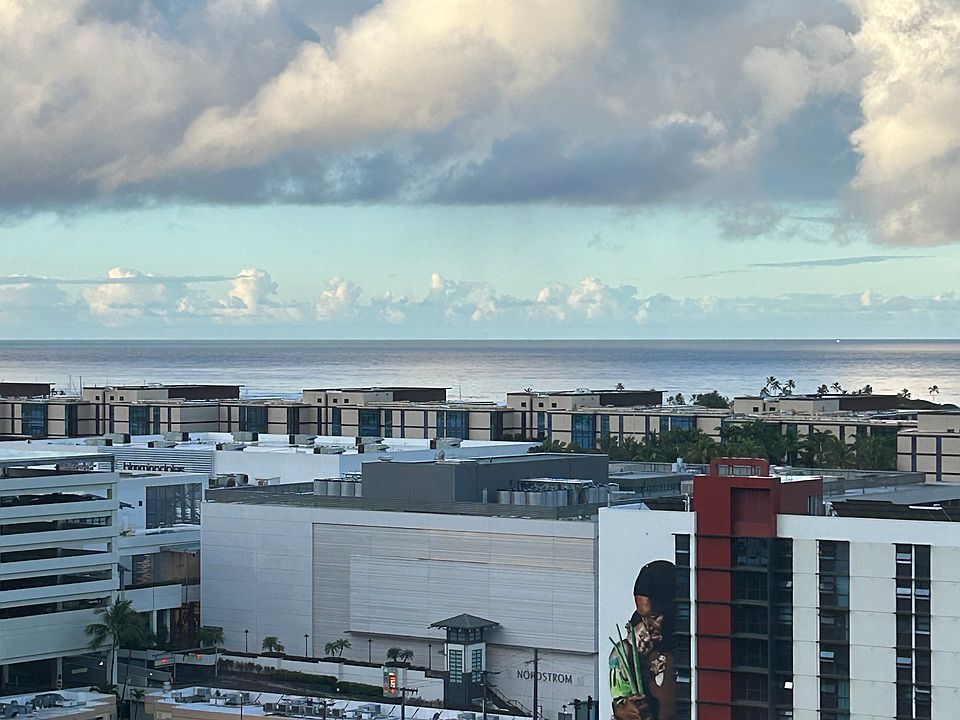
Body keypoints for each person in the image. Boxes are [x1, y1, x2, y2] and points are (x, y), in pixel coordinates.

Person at [609, 560, 677, 720]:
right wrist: (622, 708)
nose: (647, 625)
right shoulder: (628, 649)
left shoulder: (686, 641)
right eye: (642, 617)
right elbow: (621, 700)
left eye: (653, 616)